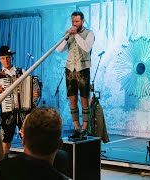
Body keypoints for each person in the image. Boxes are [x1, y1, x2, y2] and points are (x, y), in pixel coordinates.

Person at [0, 46, 40, 155]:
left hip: (24, 110)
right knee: (6, 141)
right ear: (0, 59)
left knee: (28, 139)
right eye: (3, 58)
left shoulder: (22, 71)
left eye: (8, 58)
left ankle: (28, 162)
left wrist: (36, 93)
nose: (6, 60)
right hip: (7, 111)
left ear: (12, 58)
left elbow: (32, 88)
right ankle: (4, 164)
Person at [0, 107, 68, 180]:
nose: (20, 131)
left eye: (21, 129)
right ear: (60, 144)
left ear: (23, 140)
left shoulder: (2, 170)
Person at [56, 11, 95, 139]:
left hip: (83, 69)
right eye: (73, 21)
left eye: (77, 22)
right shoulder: (69, 33)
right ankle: (76, 128)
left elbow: (86, 47)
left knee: (84, 100)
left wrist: (76, 34)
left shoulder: (89, 33)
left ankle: (84, 129)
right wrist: (67, 36)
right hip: (69, 70)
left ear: (82, 21)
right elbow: (59, 49)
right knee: (72, 99)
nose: (74, 24)